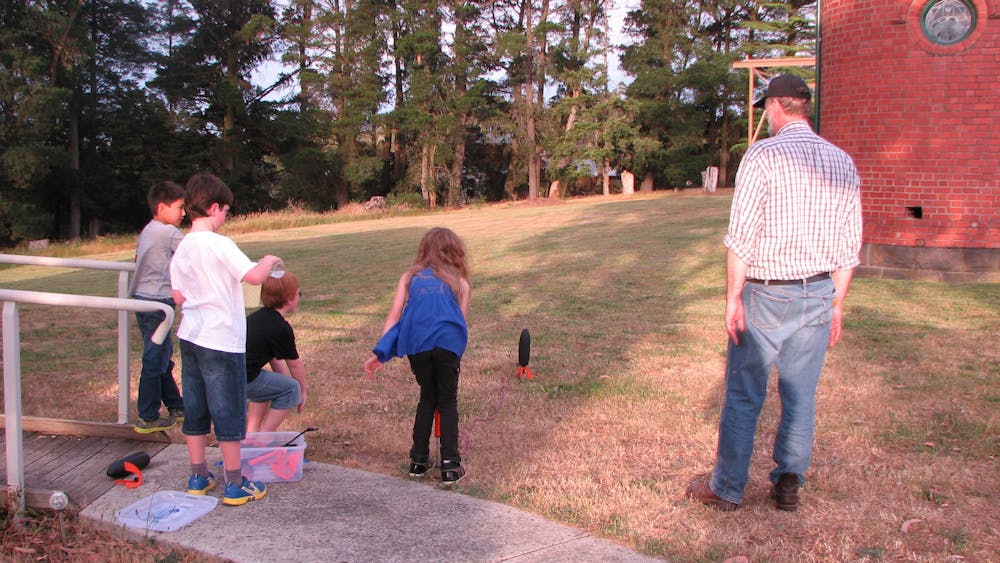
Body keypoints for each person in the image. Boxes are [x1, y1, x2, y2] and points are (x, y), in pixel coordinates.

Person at [685, 75, 863, 512]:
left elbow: (741, 237)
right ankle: (788, 483)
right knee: (800, 393)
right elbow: (848, 249)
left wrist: (732, 297)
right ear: (804, 106)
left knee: (745, 391)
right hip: (820, 290)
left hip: (766, 293)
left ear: (774, 108)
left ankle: (727, 488)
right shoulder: (842, 161)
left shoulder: (763, 155)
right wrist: (836, 303)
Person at [169, 172, 283, 507]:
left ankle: (198, 475)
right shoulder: (220, 244)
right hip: (222, 340)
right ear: (215, 207)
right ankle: (235, 483)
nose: (225, 219)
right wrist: (269, 260)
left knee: (196, 407)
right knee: (229, 409)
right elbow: (253, 276)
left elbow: (178, 296)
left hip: (191, 337)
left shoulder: (183, 246)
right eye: (226, 213)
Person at [364, 227, 471, 486]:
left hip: (418, 344)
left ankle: (418, 461)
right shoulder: (461, 283)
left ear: (424, 250)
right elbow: (461, 324)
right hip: (448, 344)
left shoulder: (409, 278)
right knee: (447, 400)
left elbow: (394, 316)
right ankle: (450, 466)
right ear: (454, 251)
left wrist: (382, 350)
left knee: (427, 397)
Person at [129, 181, 187, 434]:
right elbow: (195, 252)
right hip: (158, 303)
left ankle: (177, 406)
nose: (183, 213)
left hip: (142, 299)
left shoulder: (148, 230)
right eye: (180, 207)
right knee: (155, 359)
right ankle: (147, 415)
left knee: (160, 355)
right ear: (162, 208)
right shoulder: (169, 233)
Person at [245, 271, 307, 432]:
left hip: (234, 373)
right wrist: (302, 391)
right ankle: (265, 437)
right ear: (289, 299)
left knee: (271, 385)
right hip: (242, 379)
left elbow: (275, 358)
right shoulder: (280, 327)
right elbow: (295, 365)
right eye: (298, 293)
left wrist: (282, 382)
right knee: (292, 388)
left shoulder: (259, 317)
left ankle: (251, 434)